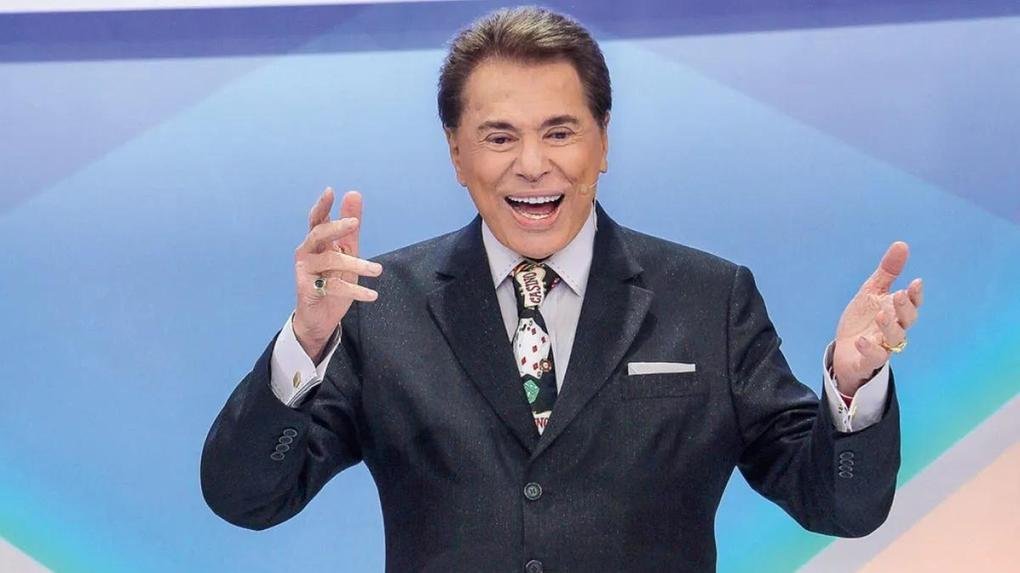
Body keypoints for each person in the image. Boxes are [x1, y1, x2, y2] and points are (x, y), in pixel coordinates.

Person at [201, 7, 923, 572]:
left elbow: (839, 505)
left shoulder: (710, 299)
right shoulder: (380, 307)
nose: (532, 164)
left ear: (602, 141)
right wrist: (307, 340)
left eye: (559, 132)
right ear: (456, 152)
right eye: (499, 137)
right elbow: (247, 498)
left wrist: (854, 386)